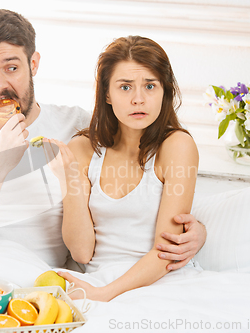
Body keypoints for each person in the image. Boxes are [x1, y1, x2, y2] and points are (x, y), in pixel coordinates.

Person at [0, 9, 206, 273]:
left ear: (33, 64)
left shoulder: (79, 128)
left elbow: (143, 184)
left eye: (11, 67)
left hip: (45, 281)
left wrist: (198, 232)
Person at [46, 35, 199, 301]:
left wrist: (104, 295)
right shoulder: (83, 148)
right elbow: (82, 253)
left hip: (159, 282)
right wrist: (69, 179)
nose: (138, 99)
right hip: (96, 278)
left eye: (150, 86)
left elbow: (166, 251)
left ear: (165, 91)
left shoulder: (177, 146)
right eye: (125, 87)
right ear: (107, 93)